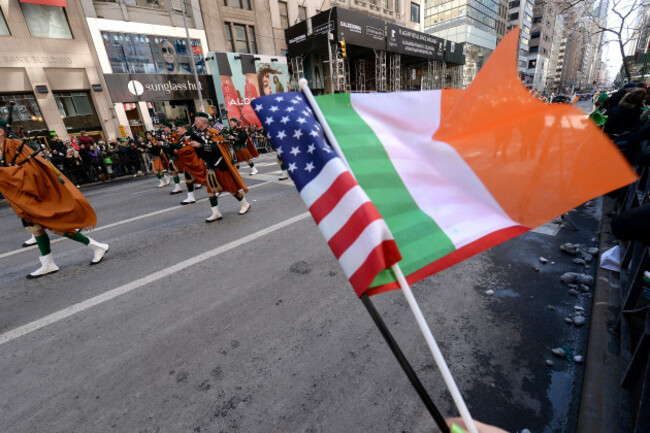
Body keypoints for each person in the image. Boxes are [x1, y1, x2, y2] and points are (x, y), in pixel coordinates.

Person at [0, 120, 109, 278]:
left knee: (57, 225)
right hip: (21, 196)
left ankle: (96, 246)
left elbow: (32, 170)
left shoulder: (15, 144)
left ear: (1, 131)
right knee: (36, 230)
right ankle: (48, 263)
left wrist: (5, 174)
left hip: (35, 192)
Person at [191, 112, 251, 222]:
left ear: (202, 121)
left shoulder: (213, 131)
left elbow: (218, 148)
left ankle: (245, 203)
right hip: (211, 165)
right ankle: (216, 213)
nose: (194, 123)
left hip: (220, 164)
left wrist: (200, 145)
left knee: (230, 187)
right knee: (211, 189)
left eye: (196, 120)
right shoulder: (200, 133)